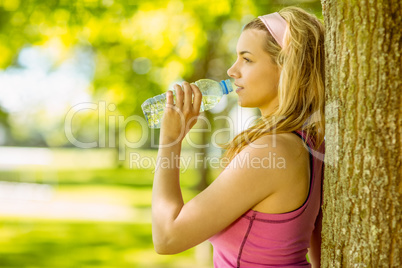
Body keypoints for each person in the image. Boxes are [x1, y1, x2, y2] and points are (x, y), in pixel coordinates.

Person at [152, 6, 325, 268]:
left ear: (287, 68)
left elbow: (167, 237)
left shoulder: (272, 151)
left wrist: (170, 141)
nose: (232, 71)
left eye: (247, 59)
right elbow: (321, 249)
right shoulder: (312, 142)